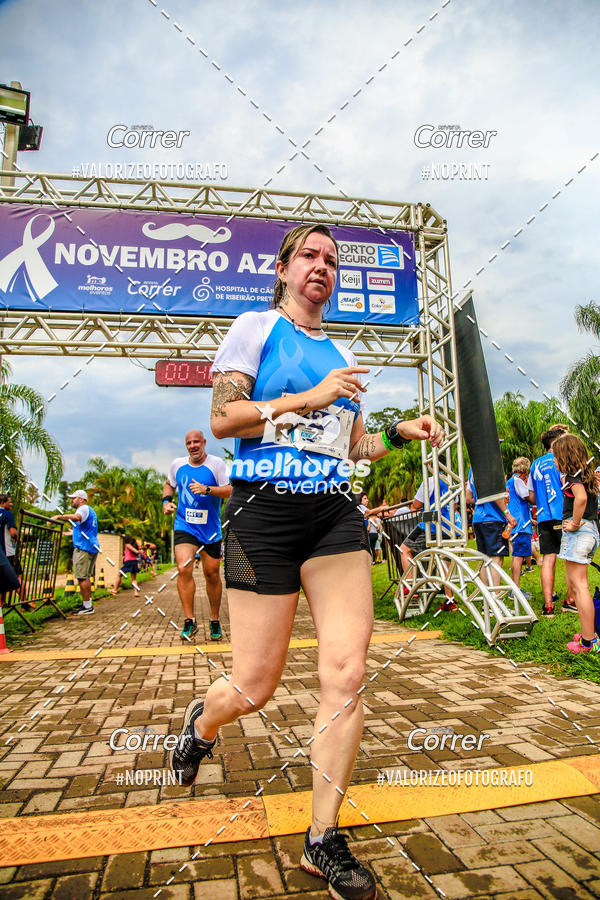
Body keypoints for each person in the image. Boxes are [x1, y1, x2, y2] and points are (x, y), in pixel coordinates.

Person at [167, 222, 443, 900]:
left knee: (346, 673)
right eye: (310, 256)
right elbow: (227, 416)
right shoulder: (256, 329)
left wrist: (398, 433)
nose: (322, 266)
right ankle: (201, 727)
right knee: (254, 687)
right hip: (263, 514)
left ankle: (322, 839)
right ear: (285, 268)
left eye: (331, 259)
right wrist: (305, 399)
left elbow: (352, 446)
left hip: (333, 516)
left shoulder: (341, 351)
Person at [163, 430, 232, 642]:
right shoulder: (177, 465)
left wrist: (207, 490)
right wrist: (166, 501)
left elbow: (230, 490)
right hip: (185, 525)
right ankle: (190, 621)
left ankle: (213, 620)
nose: (193, 446)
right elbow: (169, 484)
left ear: (204, 443)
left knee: (212, 574)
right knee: (183, 567)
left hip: (210, 529)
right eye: (189, 443)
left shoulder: (216, 464)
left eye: (196, 442)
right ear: (186, 446)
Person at [552, 434, 600, 653]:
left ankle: (589, 642)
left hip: (580, 532)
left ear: (565, 455)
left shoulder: (572, 478)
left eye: (555, 456)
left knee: (580, 587)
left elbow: (579, 499)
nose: (553, 461)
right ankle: (588, 633)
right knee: (576, 584)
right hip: (590, 532)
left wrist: (575, 522)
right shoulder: (588, 476)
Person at [528, 425, 573, 615]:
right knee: (572, 559)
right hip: (563, 515)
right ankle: (571, 600)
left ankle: (548, 605)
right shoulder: (561, 460)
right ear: (556, 443)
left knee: (548, 559)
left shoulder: (535, 464)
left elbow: (531, 496)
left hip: (544, 517)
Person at [399, 476, 461, 609]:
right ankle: (450, 600)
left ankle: (410, 587)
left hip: (429, 524)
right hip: (448, 526)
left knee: (404, 549)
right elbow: (455, 505)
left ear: (432, 463)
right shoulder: (452, 481)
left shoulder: (430, 480)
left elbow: (416, 505)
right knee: (445, 561)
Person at [466, 468, 517, 587]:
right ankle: (495, 600)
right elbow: (494, 494)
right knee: (496, 560)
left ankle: (487, 602)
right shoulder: (489, 463)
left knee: (485, 560)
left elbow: (468, 497)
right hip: (493, 518)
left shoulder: (472, 469)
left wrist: (481, 501)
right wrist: (507, 513)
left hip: (478, 519)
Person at [52, 490, 99, 615]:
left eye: (74, 498)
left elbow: (76, 517)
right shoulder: (90, 511)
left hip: (83, 548)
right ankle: (87, 604)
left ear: (81, 499)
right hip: (91, 546)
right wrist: (72, 533)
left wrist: (59, 517)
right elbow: (87, 529)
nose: (72, 500)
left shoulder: (82, 509)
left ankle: (88, 607)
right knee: (85, 577)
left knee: (82, 577)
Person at [506, 458, 534, 595]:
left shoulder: (510, 481)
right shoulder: (518, 481)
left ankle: (514, 587)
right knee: (519, 557)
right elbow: (527, 496)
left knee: (516, 555)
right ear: (525, 470)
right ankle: (516, 590)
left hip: (515, 523)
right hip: (521, 524)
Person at [358, 493, 378, 562]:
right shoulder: (361, 506)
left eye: (367, 498)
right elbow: (369, 512)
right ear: (360, 500)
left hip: (366, 536)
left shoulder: (362, 508)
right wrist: (382, 508)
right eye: (365, 498)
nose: (367, 500)